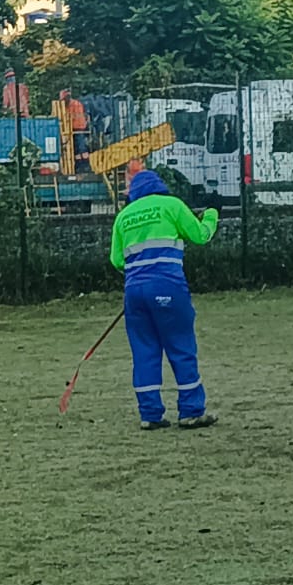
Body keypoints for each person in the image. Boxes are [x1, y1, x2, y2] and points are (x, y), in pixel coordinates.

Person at [109, 170, 219, 430]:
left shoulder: (123, 217)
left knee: (144, 352)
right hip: (168, 286)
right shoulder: (171, 205)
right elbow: (200, 236)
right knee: (181, 346)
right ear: (160, 187)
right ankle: (191, 410)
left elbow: (116, 260)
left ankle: (150, 415)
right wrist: (211, 216)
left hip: (134, 291)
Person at [61, 89, 90, 172]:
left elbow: (71, 117)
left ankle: (83, 165)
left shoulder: (75, 105)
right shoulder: (72, 104)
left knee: (80, 148)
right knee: (77, 148)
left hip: (78, 128)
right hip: (74, 128)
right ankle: (79, 165)